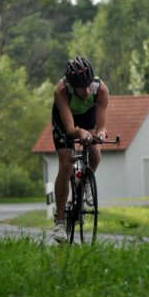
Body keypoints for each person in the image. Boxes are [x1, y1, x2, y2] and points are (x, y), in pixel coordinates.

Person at [51, 56, 109, 242]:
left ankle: (82, 184)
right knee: (66, 164)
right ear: (71, 85)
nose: (86, 91)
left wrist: (99, 135)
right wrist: (80, 133)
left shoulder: (101, 90)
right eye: (81, 88)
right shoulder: (61, 91)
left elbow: (101, 126)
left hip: (87, 114)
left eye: (88, 85)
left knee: (95, 153)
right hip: (65, 119)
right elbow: (70, 130)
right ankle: (60, 222)